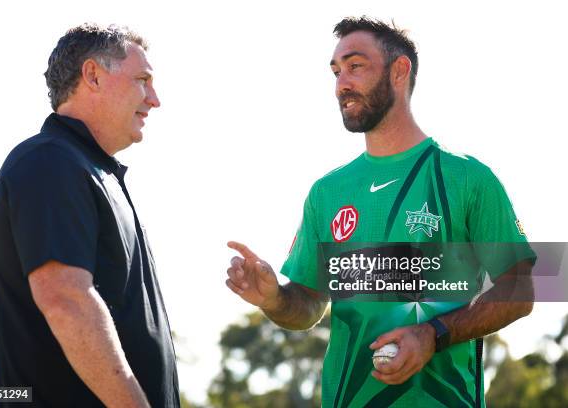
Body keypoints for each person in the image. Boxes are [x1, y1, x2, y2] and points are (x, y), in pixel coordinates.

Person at [226, 16, 536, 407]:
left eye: (356, 66)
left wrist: (433, 334)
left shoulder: (469, 178)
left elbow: (521, 291)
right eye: (336, 72)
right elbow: (307, 307)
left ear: (399, 71)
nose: (342, 84)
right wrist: (273, 298)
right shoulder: (326, 192)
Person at [0, 24, 179, 407]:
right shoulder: (50, 161)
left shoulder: (88, 170)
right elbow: (66, 300)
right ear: (92, 75)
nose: (154, 99)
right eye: (142, 80)